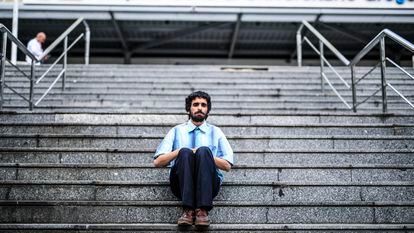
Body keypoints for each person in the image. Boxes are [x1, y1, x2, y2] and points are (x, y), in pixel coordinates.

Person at [154, 91, 233, 227]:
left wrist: (206, 155)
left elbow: (227, 165)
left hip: (210, 185)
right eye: (195, 104)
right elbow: (158, 162)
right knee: (184, 151)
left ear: (208, 109)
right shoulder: (176, 131)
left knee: (204, 151)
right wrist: (180, 151)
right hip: (180, 185)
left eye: (203, 105)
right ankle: (188, 210)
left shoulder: (216, 132)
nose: (199, 108)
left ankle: (202, 211)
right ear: (189, 109)